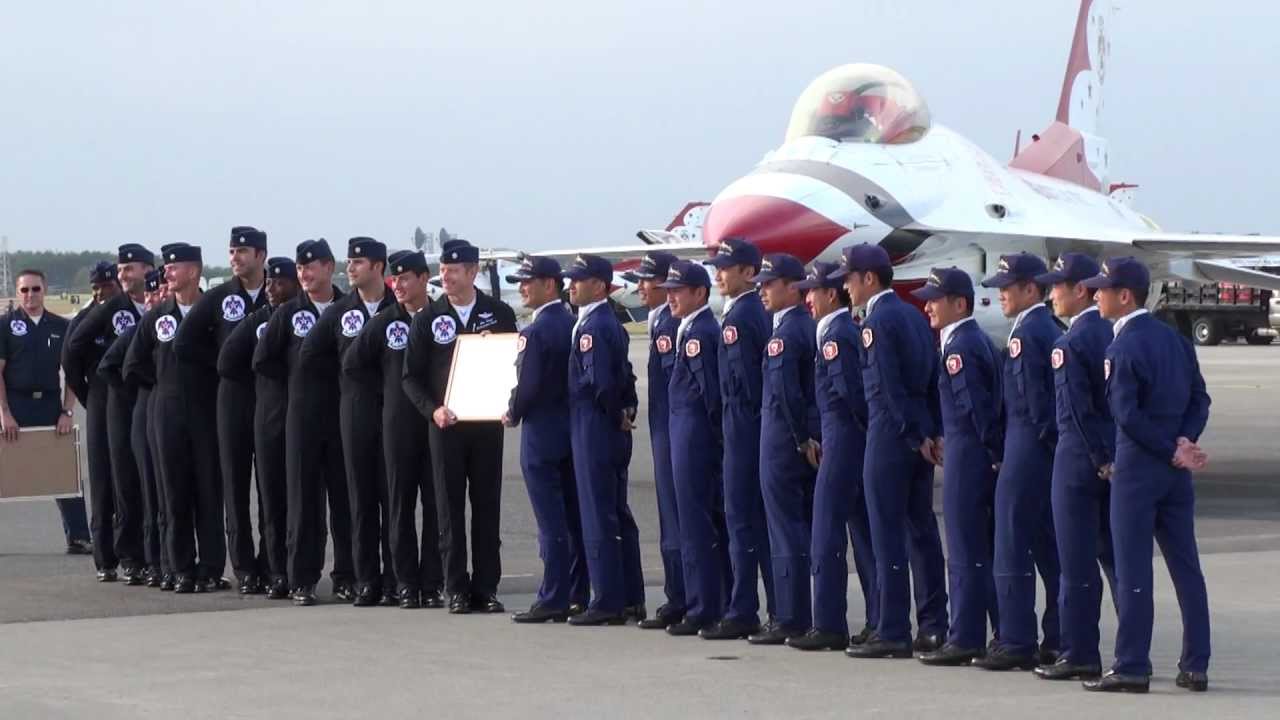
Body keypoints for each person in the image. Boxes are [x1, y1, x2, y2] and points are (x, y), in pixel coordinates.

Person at [1081, 257, 1212, 694]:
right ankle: (1196, 664)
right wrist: (1184, 442)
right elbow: (1200, 399)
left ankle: (1132, 664)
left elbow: (1126, 415)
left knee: (1133, 570)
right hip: (1175, 474)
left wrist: (1169, 449)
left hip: (1138, 470)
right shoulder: (1176, 340)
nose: (1095, 295)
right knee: (1186, 568)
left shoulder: (1121, 348)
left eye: (1102, 289)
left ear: (1125, 296)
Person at [834, 244, 948, 659]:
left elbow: (887, 386)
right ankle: (933, 624)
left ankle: (893, 627)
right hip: (918, 432)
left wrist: (913, 433)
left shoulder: (876, 322)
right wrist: (931, 432)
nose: (846, 288)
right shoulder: (913, 316)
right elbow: (932, 378)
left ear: (869, 279)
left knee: (886, 533)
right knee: (921, 529)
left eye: (849, 279)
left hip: (891, 433)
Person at [402, 239, 518, 614]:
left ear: (472, 272)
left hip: (486, 426)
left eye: (453, 270)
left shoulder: (498, 314)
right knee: (447, 509)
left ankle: (486, 588)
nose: (445, 276)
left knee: (487, 507)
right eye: (443, 270)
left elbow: (514, 364)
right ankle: (455, 588)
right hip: (446, 427)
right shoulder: (428, 318)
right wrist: (432, 410)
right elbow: (410, 377)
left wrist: (510, 405)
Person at [253, 239, 354, 606]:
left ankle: (347, 575)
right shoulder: (289, 313)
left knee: (345, 500)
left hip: (341, 416)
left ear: (329, 267)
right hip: (302, 416)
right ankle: (302, 578)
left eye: (310, 267)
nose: (304, 273)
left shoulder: (349, 309)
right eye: (300, 268)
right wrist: (299, 378)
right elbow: (262, 360)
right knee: (303, 501)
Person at [343, 250, 446, 610]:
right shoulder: (386, 321)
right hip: (398, 425)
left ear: (424, 279)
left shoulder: (441, 318)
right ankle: (404, 583)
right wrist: (387, 390)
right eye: (394, 278)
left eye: (405, 278)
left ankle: (431, 583)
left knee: (435, 506)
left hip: (436, 423)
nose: (397, 285)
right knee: (399, 506)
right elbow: (352, 364)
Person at [123, 243, 227, 594]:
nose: (167, 272)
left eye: (174, 267)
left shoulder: (213, 313)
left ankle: (210, 568)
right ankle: (179, 567)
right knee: (173, 492)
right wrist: (166, 384)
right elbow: (132, 365)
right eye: (166, 267)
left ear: (194, 271)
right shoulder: (158, 316)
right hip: (167, 414)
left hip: (206, 411)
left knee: (209, 491)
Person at [1033, 254, 1118, 681]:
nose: (1051, 295)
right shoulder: (1112, 333)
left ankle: (1080, 651)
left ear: (1079, 290)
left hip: (1078, 461)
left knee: (1075, 563)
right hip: (1115, 460)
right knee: (1116, 562)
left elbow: (1078, 411)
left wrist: (1097, 457)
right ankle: (1130, 651)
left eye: (1056, 286)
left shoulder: (1069, 343)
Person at [912, 268, 1003, 666]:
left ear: (960, 304)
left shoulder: (959, 347)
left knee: (966, 549)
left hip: (968, 456)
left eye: (935, 300)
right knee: (982, 548)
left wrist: (990, 449)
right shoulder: (974, 340)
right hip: (975, 453)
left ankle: (965, 635)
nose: (927, 307)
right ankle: (1000, 630)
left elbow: (975, 408)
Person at [977, 252, 1063, 670]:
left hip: (1027, 448)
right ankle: (1059, 635)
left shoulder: (1027, 334)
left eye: (1007, 288)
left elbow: (1033, 405)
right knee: (1049, 548)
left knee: (1011, 544)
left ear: (1031, 289)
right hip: (1039, 452)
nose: (1001, 295)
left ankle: (1015, 639)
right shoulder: (1047, 327)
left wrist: (1021, 452)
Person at [301, 237, 397, 607]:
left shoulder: (398, 307)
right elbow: (310, 354)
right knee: (360, 501)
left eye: (358, 262)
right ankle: (365, 579)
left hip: (394, 415)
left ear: (378, 267)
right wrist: (347, 376)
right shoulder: (340, 311)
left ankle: (395, 579)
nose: (351, 268)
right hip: (355, 413)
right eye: (349, 262)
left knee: (394, 500)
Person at [173, 226, 270, 594]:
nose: (235, 258)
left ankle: (271, 563)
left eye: (242, 251)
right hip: (232, 399)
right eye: (231, 252)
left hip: (272, 399)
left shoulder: (279, 292)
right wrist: (221, 362)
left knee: (272, 487)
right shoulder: (218, 298)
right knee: (235, 488)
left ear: (260, 255)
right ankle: (245, 568)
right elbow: (184, 343)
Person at [789, 261, 876, 651]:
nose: (807, 298)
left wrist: (847, 438)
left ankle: (828, 622)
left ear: (830, 293)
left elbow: (851, 393)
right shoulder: (837, 330)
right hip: (845, 438)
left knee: (826, 530)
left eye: (813, 291)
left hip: (842, 439)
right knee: (861, 532)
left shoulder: (836, 334)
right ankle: (877, 618)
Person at [559, 254, 645, 626]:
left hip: (595, 425)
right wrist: (625, 408)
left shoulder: (593, 326)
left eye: (578, 280)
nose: (571, 286)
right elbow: (624, 376)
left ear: (598, 285)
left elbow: (601, 383)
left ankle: (607, 599)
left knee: (598, 514)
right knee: (615, 511)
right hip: (602, 424)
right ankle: (630, 596)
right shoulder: (605, 321)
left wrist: (615, 415)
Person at [502, 255, 588, 623]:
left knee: (550, 522)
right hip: (571, 431)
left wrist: (512, 411)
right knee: (573, 518)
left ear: (549, 285)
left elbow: (528, 384)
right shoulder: (572, 323)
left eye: (528, 281)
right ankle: (577, 592)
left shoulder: (535, 332)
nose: (522, 288)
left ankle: (553, 596)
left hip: (540, 433)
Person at [699, 237, 776, 641]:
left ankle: (743, 608)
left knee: (742, 518)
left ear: (749, 272)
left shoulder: (742, 317)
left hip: (743, 425)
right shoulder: (749, 312)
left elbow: (745, 383)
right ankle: (774, 606)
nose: (719, 274)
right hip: (746, 424)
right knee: (753, 520)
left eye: (726, 268)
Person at [67, 245, 154, 583]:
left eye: (128, 269)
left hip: (145, 401)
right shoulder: (108, 310)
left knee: (143, 479)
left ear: (148, 269)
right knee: (110, 480)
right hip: (108, 401)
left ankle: (147, 553)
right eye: (120, 269)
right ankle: (112, 556)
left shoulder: (155, 306)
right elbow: (72, 351)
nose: (121, 275)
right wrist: (89, 395)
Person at [744, 253, 818, 646]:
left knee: (784, 528)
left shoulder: (786, 334)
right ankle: (798, 612)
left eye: (770, 284)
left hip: (783, 441)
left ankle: (790, 616)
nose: (762, 291)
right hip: (797, 439)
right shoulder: (807, 326)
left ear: (793, 287)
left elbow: (788, 394)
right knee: (796, 525)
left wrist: (800, 437)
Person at [219, 257, 299, 600]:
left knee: (281, 498)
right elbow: (227, 361)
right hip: (258, 411)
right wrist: (260, 380)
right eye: (269, 283)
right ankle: (250, 569)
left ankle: (276, 565)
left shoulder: (304, 317)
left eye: (280, 283)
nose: (272, 289)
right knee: (247, 493)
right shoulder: (259, 320)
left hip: (292, 416)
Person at [658, 260, 727, 636]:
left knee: (696, 521)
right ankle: (704, 601)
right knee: (692, 519)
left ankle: (703, 606)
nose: (670, 297)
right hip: (684, 431)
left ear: (700, 293)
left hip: (695, 435)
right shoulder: (689, 328)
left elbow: (710, 393)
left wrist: (711, 437)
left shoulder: (700, 331)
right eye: (668, 291)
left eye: (678, 291)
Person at [0, 269, 91, 554]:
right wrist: (4, 412)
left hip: (50, 405)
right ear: (17, 293)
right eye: (24, 290)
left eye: (36, 289)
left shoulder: (61, 326)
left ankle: (78, 536)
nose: (30, 295)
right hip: (15, 404)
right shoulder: (5, 325)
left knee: (66, 470)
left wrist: (67, 411)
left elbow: (73, 372)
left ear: (45, 290)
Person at [622, 251, 687, 630]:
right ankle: (678, 594)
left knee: (677, 516)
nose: (641, 287)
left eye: (649, 280)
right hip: (664, 426)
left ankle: (682, 597)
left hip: (672, 427)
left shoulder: (669, 325)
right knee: (670, 515)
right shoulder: (660, 320)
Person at [62, 260, 127, 579]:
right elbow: (70, 362)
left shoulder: (129, 314)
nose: (102, 292)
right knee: (102, 481)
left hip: (132, 400)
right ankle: (105, 559)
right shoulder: (84, 320)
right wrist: (89, 398)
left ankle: (134, 554)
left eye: (108, 286)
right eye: (96, 287)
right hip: (100, 400)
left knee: (130, 481)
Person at [135, 269, 172, 587]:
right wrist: (158, 382)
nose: (156, 297)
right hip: (149, 408)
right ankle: (155, 562)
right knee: (153, 494)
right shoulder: (149, 324)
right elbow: (119, 364)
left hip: (175, 412)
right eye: (151, 292)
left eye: (160, 290)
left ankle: (170, 562)